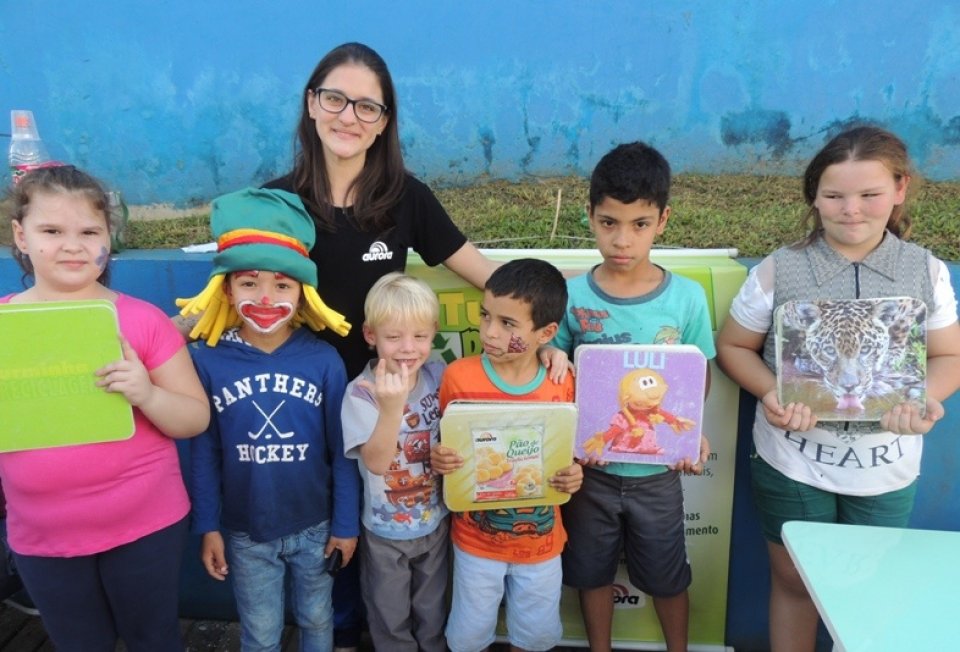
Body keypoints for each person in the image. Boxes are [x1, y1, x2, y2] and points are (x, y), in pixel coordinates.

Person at [262, 41, 499, 649]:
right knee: (330, 530)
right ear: (311, 105)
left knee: (390, 527)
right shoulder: (277, 202)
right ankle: (340, 634)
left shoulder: (405, 196)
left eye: (369, 106)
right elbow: (234, 292)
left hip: (385, 395)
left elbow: (483, 272)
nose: (350, 116)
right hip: (303, 398)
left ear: (385, 121)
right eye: (336, 98)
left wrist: (550, 324)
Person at [715, 126, 960, 651]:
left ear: (899, 189)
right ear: (814, 198)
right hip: (792, 460)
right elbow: (733, 346)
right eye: (834, 195)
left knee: (869, 587)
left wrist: (924, 398)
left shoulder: (927, 271)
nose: (852, 209)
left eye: (869, 194)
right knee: (794, 581)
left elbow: (948, 355)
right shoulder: (780, 269)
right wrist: (770, 392)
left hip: (886, 465)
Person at [0, 165, 210, 650]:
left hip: (146, 525)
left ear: (108, 238)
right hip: (42, 534)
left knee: (153, 639)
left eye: (89, 231)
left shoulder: (141, 320)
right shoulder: (7, 326)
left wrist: (147, 393)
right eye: (51, 231)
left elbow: (194, 418)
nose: (72, 245)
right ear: (21, 235)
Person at [179, 188, 361, 652]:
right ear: (226, 289)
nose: (265, 296)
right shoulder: (208, 361)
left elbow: (342, 451)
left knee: (318, 620)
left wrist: (345, 524)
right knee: (259, 632)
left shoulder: (324, 361)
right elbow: (205, 453)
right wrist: (208, 526)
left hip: (316, 527)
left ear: (303, 293)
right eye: (248, 282)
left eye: (282, 284)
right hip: (244, 532)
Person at [550, 142, 714, 652]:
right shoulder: (571, 297)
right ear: (590, 216)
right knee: (590, 571)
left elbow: (696, 376)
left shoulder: (686, 297)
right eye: (608, 222)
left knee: (667, 576)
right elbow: (557, 375)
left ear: (663, 219)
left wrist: (690, 437)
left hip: (658, 477)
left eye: (639, 224)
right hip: (590, 472)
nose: (622, 239)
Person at [431, 258, 584, 652]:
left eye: (507, 324)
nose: (489, 332)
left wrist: (574, 474)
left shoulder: (562, 382)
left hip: (542, 545)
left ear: (546, 333)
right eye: (485, 316)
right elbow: (443, 445)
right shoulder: (459, 377)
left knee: (534, 636)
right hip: (475, 543)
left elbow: (570, 454)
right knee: (468, 635)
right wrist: (440, 460)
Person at [340, 272, 448, 652]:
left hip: (435, 521)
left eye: (419, 336)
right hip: (385, 532)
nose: (408, 348)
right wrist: (391, 408)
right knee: (389, 615)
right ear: (371, 335)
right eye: (393, 337)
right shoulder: (361, 393)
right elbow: (376, 463)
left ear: (433, 333)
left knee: (433, 610)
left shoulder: (439, 376)